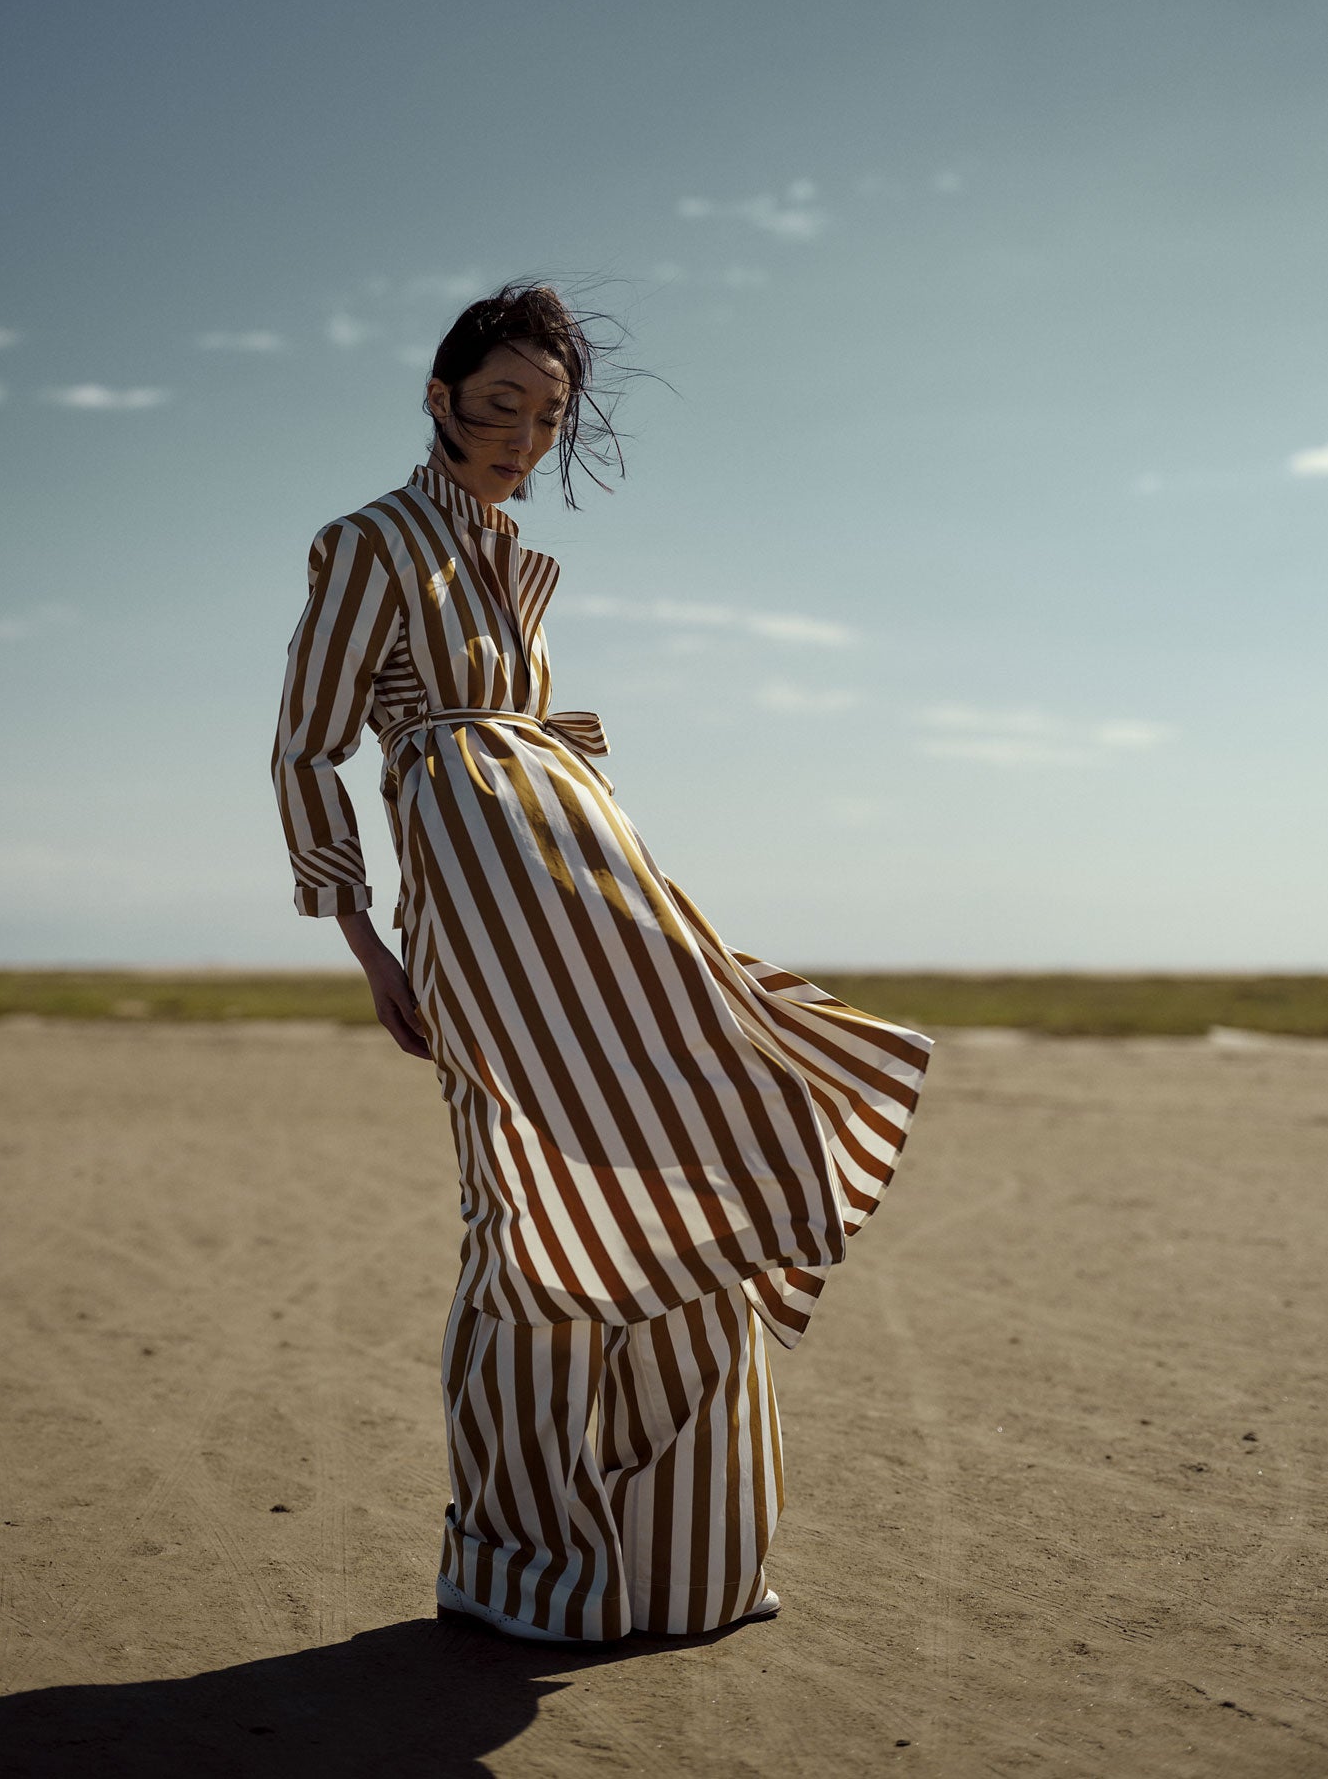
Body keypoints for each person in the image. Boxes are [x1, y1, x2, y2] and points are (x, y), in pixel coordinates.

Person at [272, 282, 932, 1644]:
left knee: (686, 1150)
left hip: (586, 876)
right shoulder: (371, 542)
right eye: (498, 403)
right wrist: (361, 940)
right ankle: (524, 1568)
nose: (520, 434)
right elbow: (304, 748)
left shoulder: (519, 563)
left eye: (547, 415)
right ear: (439, 396)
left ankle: (685, 1561)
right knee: (523, 1205)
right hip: (471, 902)